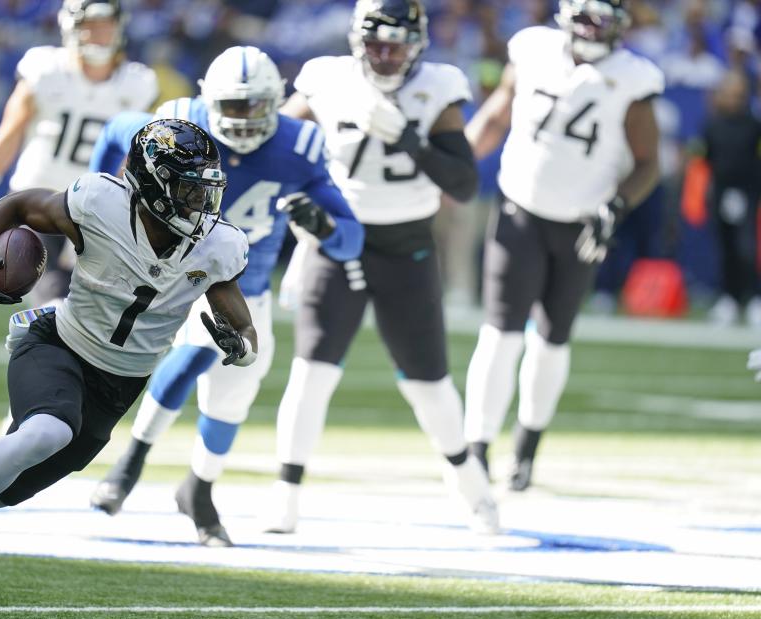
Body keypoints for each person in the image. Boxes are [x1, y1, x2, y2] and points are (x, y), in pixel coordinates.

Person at [0, 119, 252, 615]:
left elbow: (245, 329)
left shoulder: (218, 245)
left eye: (205, 190)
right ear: (152, 183)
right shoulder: (101, 202)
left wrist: (240, 347)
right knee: (46, 432)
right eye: (187, 188)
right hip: (59, 344)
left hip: (117, 388)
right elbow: (22, 204)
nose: (200, 202)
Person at [87, 46, 363, 546]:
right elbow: (113, 134)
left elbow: (351, 239)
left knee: (230, 401)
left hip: (248, 288)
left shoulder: (298, 147)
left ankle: (199, 488)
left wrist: (321, 224)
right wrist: (101, 194)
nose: (241, 119)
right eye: (232, 106)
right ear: (207, 100)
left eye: (253, 106)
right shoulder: (178, 125)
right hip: (182, 275)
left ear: (276, 102)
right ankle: (130, 463)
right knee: (196, 352)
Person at [267, 0, 495, 535]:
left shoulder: (437, 88)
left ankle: (469, 483)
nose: (386, 56)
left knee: (427, 381)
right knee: (313, 369)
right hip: (337, 238)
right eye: (376, 44)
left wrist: (409, 138)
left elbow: (463, 184)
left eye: (397, 44)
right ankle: (286, 491)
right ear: (356, 41)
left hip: (407, 245)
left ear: (418, 43)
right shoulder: (327, 80)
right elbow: (277, 143)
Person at [462, 0, 663, 491]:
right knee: (501, 332)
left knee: (552, 339)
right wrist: (459, 161)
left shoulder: (633, 78)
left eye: (603, 20)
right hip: (520, 208)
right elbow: (497, 115)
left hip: (580, 222)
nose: (592, 30)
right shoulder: (533, 49)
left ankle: (526, 451)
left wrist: (616, 205)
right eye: (586, 17)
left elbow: (648, 163)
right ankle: (476, 448)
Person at [0, 0, 158, 303]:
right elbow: (9, 134)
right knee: (51, 295)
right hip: (38, 200)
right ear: (71, 26)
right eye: (92, 25)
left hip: (95, 209)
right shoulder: (46, 69)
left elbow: (134, 158)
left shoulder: (138, 82)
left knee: (93, 305)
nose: (100, 33)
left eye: (106, 24)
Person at [700, 71, 761, 327]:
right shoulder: (712, 125)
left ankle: (754, 298)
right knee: (724, 247)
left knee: (747, 248)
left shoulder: (754, 125)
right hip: (721, 191)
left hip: (748, 192)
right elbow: (708, 159)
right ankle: (728, 298)